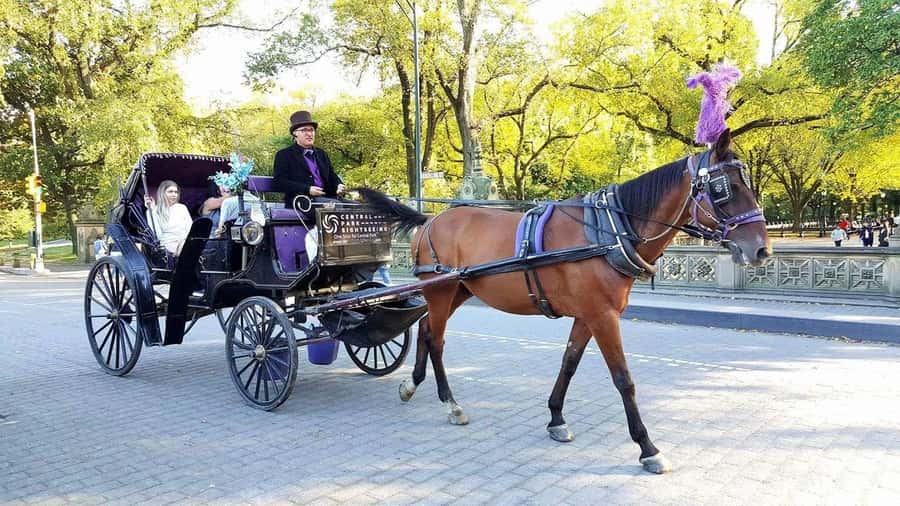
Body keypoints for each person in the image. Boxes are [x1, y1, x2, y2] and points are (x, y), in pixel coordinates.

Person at [273, 110, 346, 214]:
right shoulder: (284, 155)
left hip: (328, 198)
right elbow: (279, 182)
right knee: (336, 207)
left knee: (362, 208)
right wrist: (307, 189)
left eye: (311, 130)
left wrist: (339, 185)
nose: (309, 134)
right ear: (295, 134)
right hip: (301, 200)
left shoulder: (322, 154)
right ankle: (318, 231)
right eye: (304, 130)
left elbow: (331, 176)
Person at [145, 180, 192, 255]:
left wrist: (184, 242)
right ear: (162, 193)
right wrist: (152, 210)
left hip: (184, 243)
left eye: (176, 192)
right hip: (167, 246)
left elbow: (190, 229)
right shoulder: (154, 210)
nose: (174, 195)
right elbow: (157, 235)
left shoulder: (182, 208)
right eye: (170, 191)